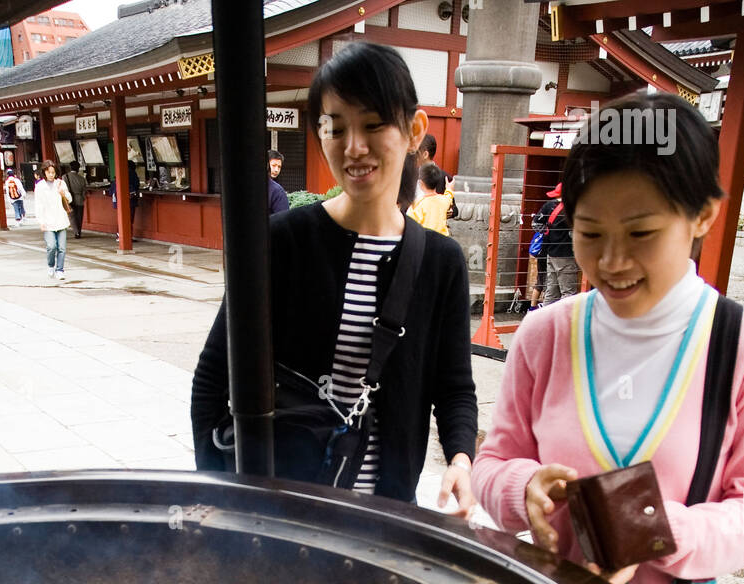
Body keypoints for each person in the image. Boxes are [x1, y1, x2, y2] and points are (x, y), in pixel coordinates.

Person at [471, 93, 744, 584]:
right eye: (591, 234)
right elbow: (494, 462)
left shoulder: (740, 347)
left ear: (702, 214)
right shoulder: (546, 336)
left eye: (641, 233)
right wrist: (520, 487)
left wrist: (661, 528)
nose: (612, 262)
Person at [192, 42, 477, 511]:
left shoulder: (440, 262)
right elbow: (213, 376)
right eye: (336, 128)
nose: (354, 147)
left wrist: (462, 460)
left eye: (373, 124)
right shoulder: (282, 241)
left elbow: (454, 387)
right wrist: (220, 492)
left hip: (387, 513)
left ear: (413, 130)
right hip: (285, 508)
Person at [538, 181, 580, 304]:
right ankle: (565, 322)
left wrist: (548, 232)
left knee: (551, 291)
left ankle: (545, 320)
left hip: (551, 253)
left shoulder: (549, 206)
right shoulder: (572, 210)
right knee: (568, 292)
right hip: (566, 255)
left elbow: (536, 223)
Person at [34, 159, 71, 280]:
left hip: (61, 220)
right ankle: (51, 265)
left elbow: (69, 199)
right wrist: (41, 221)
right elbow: (38, 205)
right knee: (51, 246)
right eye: (49, 172)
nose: (51, 175)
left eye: (53, 172)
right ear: (44, 172)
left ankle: (60, 269)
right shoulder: (40, 186)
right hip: (48, 221)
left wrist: (62, 193)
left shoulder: (60, 183)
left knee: (62, 247)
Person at [409, 161, 451, 235]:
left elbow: (410, 222)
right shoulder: (443, 200)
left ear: (421, 183)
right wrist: (449, 188)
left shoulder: (418, 203)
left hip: (425, 238)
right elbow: (449, 196)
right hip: (441, 238)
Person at [63, 162, 87, 237]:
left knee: (72, 216)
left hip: (70, 199)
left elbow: (65, 188)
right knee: (79, 216)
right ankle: (79, 231)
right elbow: (84, 191)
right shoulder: (82, 178)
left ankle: (76, 232)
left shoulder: (65, 176)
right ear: (78, 168)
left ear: (70, 167)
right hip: (79, 199)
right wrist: (82, 197)